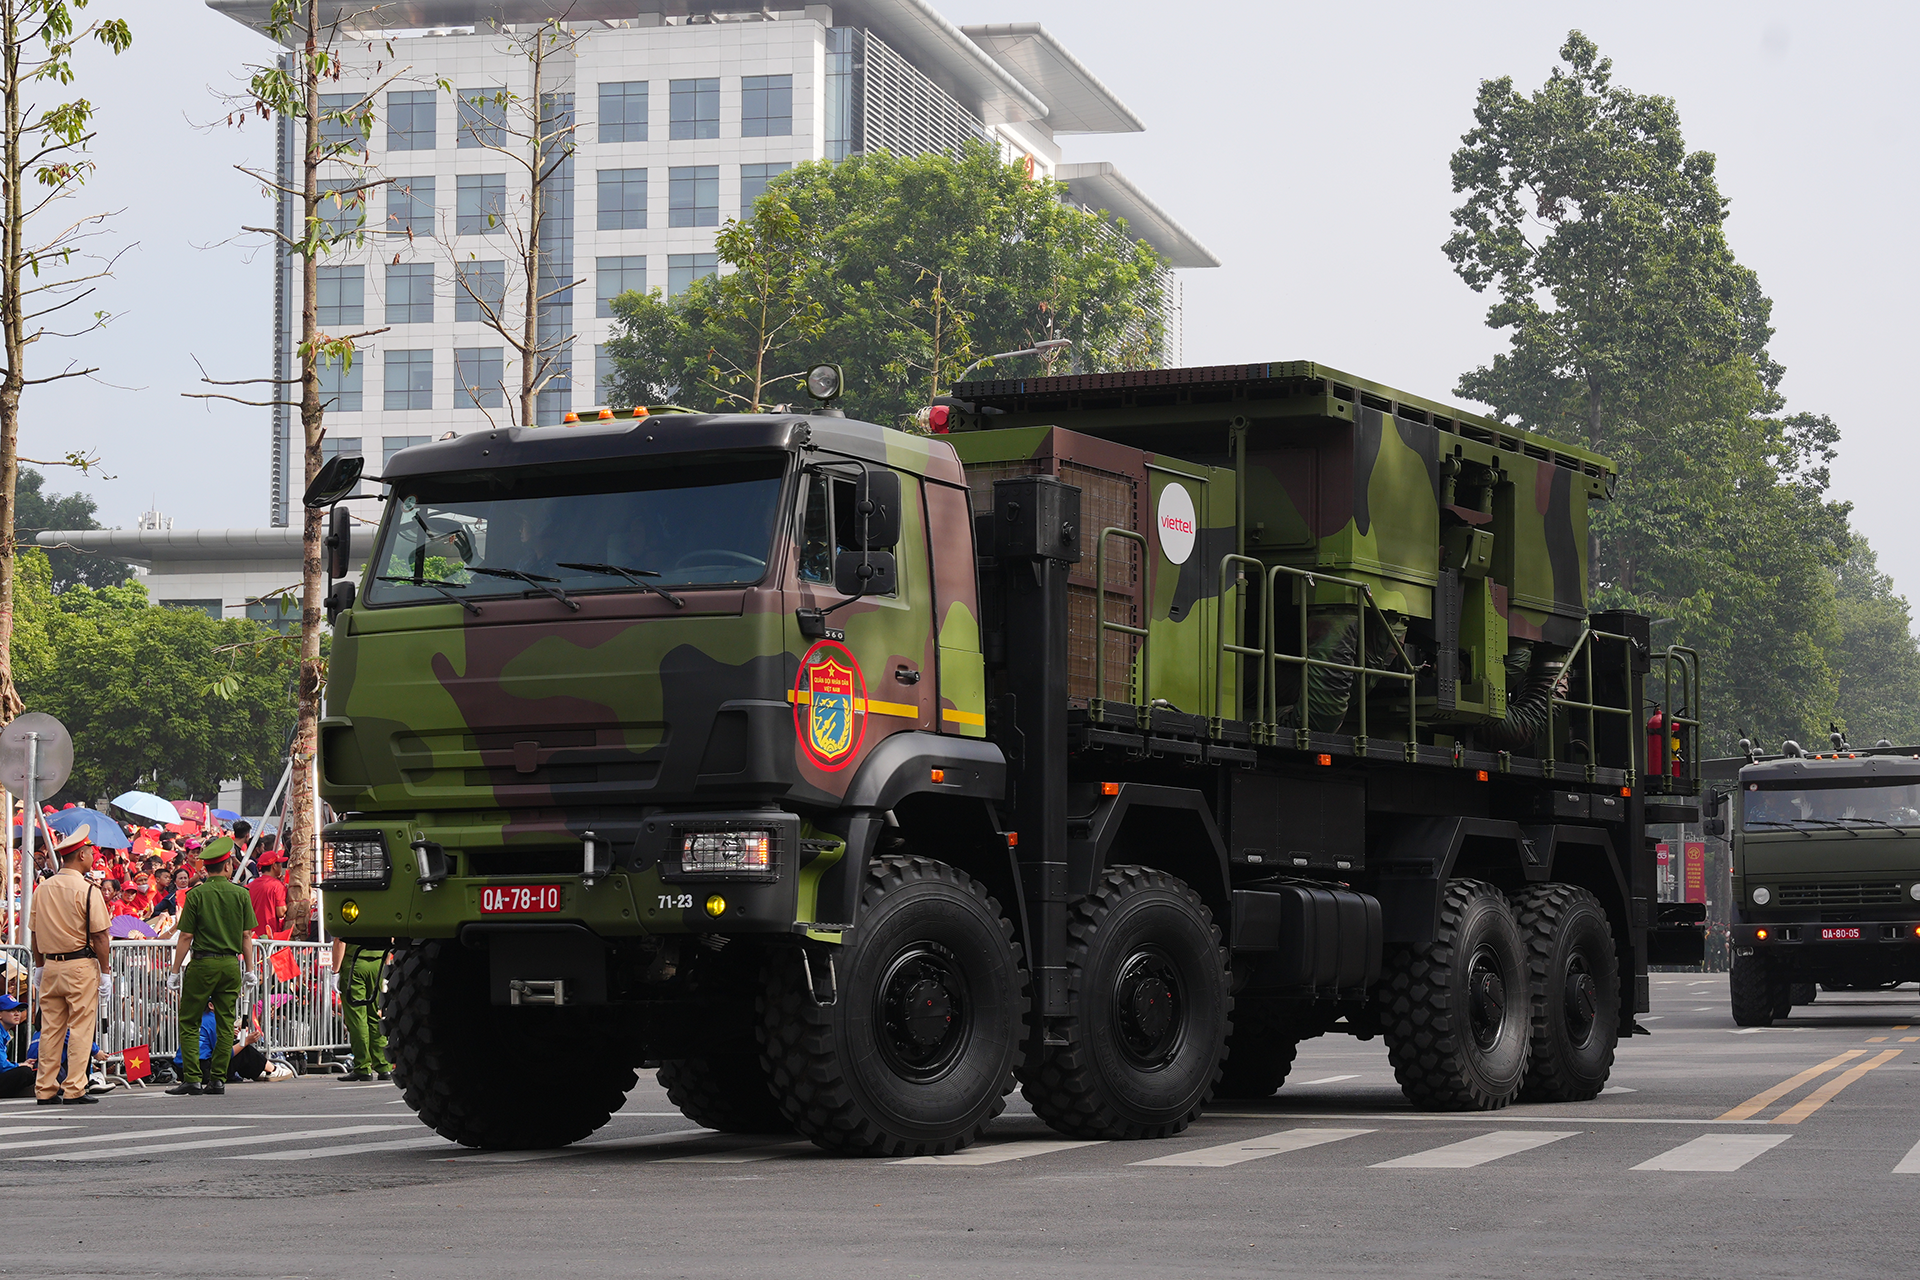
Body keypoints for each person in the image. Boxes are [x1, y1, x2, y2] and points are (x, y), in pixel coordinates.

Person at [165, 837, 257, 1097]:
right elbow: (246, 936)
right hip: (230, 963)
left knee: (190, 1020)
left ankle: (192, 1078)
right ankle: (218, 1079)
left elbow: (185, 936)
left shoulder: (195, 895)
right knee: (226, 1022)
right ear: (227, 866)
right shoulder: (241, 894)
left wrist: (174, 972)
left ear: (207, 868)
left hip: (203, 963)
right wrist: (249, 969)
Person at [26, 824, 110, 1105]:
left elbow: (35, 933)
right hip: (79, 965)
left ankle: (46, 1088)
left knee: (50, 1029)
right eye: (90, 853)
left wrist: (38, 966)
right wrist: (106, 972)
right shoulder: (87, 890)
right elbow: (100, 936)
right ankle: (74, 1087)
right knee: (81, 1028)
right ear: (82, 855)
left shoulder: (43, 888)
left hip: (50, 966)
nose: (92, 858)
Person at [331, 935, 392, 1081]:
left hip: (355, 963)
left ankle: (363, 1066)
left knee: (357, 1017)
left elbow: (340, 940)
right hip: (378, 963)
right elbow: (391, 937)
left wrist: (335, 972)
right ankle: (383, 1066)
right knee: (375, 1015)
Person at [248, 847, 289, 940]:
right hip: (269, 936)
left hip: (251, 936)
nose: (281, 867)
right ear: (274, 866)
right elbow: (281, 912)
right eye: (280, 864)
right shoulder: (277, 886)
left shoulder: (250, 885)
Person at [0, 993, 31, 1098]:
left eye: (18, 1010)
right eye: (11, 1011)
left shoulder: (4, 1033)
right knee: (25, 1072)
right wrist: (20, 1066)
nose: (17, 1014)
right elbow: (2, 1066)